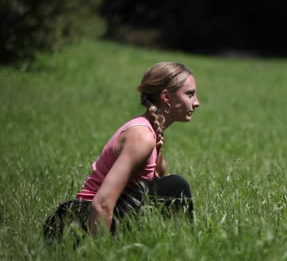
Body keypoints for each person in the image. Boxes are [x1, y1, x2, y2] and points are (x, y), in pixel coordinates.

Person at [43, 62, 201, 241]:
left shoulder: (151, 132)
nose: (197, 102)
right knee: (176, 185)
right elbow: (102, 203)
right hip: (77, 224)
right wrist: (98, 253)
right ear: (166, 97)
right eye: (190, 94)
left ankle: (175, 245)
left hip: (87, 220)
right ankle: (187, 244)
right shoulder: (141, 136)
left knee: (169, 186)